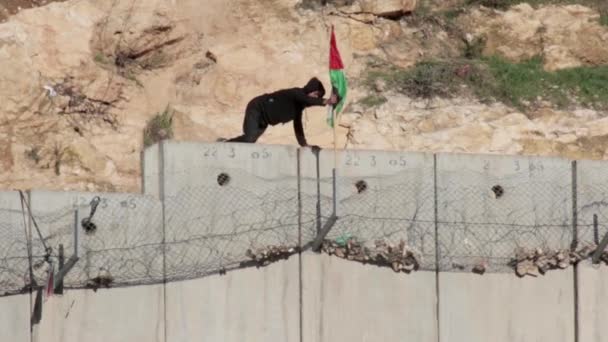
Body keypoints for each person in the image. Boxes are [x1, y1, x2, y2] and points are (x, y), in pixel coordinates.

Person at [221, 77, 338, 149]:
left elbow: (298, 126)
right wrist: (326, 101)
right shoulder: (296, 93)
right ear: (311, 91)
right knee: (249, 138)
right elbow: (307, 99)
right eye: (316, 95)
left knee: (249, 140)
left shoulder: (298, 107)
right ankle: (223, 145)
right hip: (257, 108)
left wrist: (304, 144)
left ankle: (225, 144)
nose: (316, 97)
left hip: (264, 119)